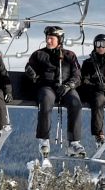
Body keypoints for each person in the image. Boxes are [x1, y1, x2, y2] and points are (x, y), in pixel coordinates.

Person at [25, 25, 84, 157]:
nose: (48, 41)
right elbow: (30, 68)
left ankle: (73, 143)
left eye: (51, 38)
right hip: (47, 87)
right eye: (47, 38)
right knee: (46, 100)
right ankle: (44, 140)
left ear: (59, 40)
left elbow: (77, 75)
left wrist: (69, 85)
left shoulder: (69, 56)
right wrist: (33, 74)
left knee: (75, 103)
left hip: (66, 87)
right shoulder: (39, 54)